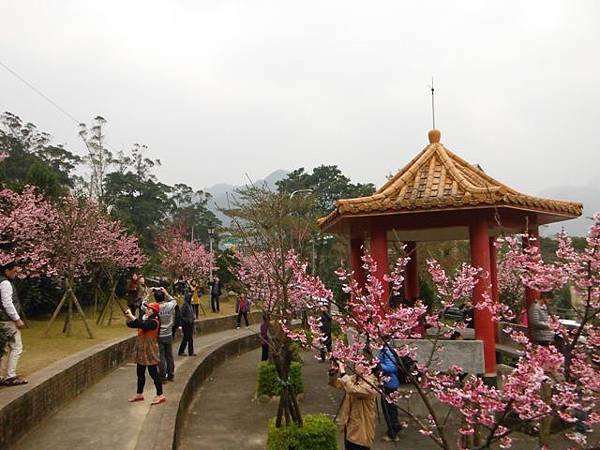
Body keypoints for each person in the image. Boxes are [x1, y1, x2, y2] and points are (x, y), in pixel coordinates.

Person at [329, 361, 377, 450]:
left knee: (358, 446)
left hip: (362, 427)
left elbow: (352, 390)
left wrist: (343, 372)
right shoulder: (354, 378)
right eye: (357, 362)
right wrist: (333, 373)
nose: (358, 365)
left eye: (362, 363)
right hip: (350, 424)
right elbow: (336, 383)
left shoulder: (371, 384)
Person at [125, 302, 165, 405]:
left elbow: (143, 325)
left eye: (149, 309)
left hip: (150, 350)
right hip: (142, 349)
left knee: (153, 373)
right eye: (147, 308)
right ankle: (139, 394)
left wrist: (132, 316)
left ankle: (160, 395)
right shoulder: (145, 320)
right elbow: (131, 324)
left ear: (154, 311)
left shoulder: (154, 322)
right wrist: (128, 317)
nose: (147, 310)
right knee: (140, 373)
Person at [0, 262, 27, 386]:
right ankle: (11, 376)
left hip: (2, 320)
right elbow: (7, 303)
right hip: (7, 320)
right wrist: (17, 319)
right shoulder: (5, 283)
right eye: (14, 271)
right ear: (7, 270)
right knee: (16, 347)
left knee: (3, 348)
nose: (16, 274)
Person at [153, 287, 177, 382]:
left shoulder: (154, 308)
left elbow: (143, 305)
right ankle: (170, 374)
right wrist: (166, 292)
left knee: (161, 356)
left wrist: (148, 293)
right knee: (169, 355)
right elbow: (174, 301)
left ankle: (162, 377)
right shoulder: (169, 305)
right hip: (168, 333)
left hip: (159, 335)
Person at [379, 346, 401, 442]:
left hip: (390, 383)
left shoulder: (387, 351)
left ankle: (393, 433)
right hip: (388, 383)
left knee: (389, 409)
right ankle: (394, 428)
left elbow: (392, 367)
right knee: (391, 408)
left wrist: (378, 365)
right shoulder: (384, 349)